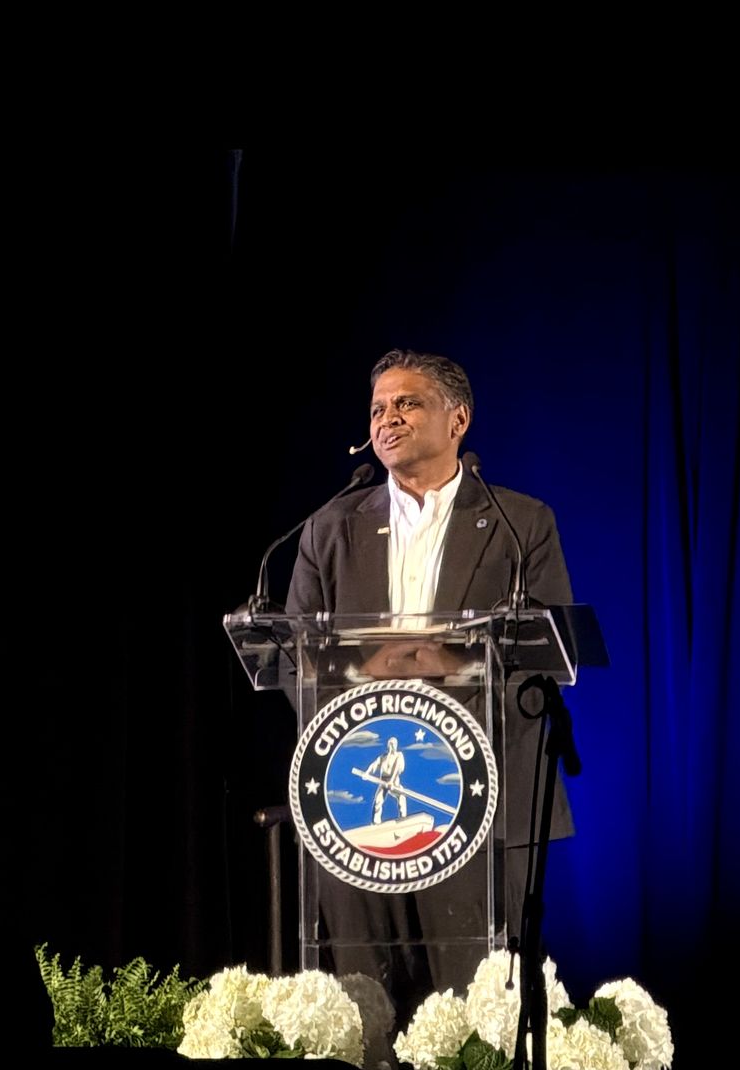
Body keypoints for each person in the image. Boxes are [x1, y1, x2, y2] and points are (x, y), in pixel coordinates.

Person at [286, 349, 574, 1017]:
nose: (388, 419)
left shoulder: (518, 524)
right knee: (367, 1003)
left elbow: (547, 652)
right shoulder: (329, 527)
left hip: (482, 789)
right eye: (378, 408)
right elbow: (293, 658)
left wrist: (446, 659)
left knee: (472, 1005)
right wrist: (375, 667)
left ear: (459, 419)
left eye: (407, 403)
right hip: (354, 800)